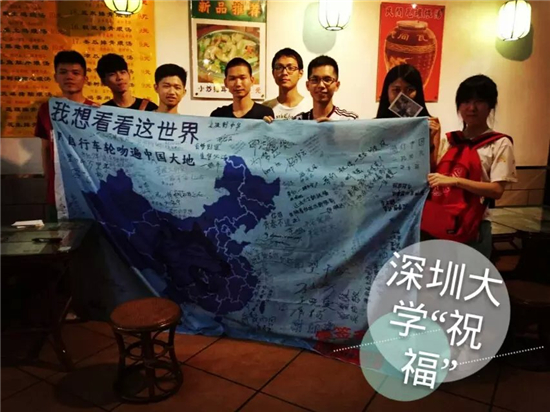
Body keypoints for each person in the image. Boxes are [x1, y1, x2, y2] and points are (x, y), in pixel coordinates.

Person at [427, 74, 517, 257]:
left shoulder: (499, 143)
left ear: (490, 105)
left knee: (469, 274)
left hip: (474, 224)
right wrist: (430, 140)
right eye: (466, 101)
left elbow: (496, 190)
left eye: (479, 101)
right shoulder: (450, 140)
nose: (472, 108)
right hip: (441, 220)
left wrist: (455, 181)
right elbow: (431, 175)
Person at [34, 50, 98, 220]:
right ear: (55, 77)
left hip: (89, 189)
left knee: (92, 235)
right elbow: (46, 148)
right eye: (63, 72)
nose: (69, 77)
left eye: (75, 73)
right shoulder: (46, 109)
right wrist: (50, 180)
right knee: (58, 235)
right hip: (58, 190)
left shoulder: (96, 111)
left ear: (85, 78)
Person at [376, 64, 441, 170]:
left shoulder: (431, 123)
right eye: (396, 90)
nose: (402, 96)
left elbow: (432, 167)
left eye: (410, 90)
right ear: (386, 92)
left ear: (418, 92)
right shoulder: (375, 125)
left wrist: (429, 139)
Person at [293, 55, 357, 121]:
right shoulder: (298, 121)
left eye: (327, 80)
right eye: (315, 80)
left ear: (337, 85)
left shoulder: (349, 120)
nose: (321, 85)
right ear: (307, 85)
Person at [263, 48, 310, 120]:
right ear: (273, 73)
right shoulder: (265, 108)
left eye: (290, 68)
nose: (284, 73)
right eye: (279, 67)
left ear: (300, 73)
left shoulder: (311, 106)